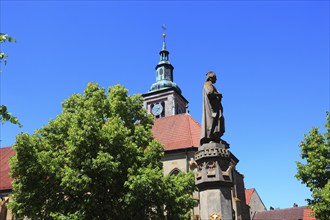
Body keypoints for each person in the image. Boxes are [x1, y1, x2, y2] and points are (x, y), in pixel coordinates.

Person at [200, 71, 225, 145]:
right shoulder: (207, 84)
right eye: (215, 78)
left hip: (215, 107)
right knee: (212, 122)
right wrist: (218, 94)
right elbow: (210, 93)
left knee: (219, 121)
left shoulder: (211, 85)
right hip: (212, 109)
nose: (216, 80)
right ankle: (211, 137)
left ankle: (215, 137)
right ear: (211, 78)